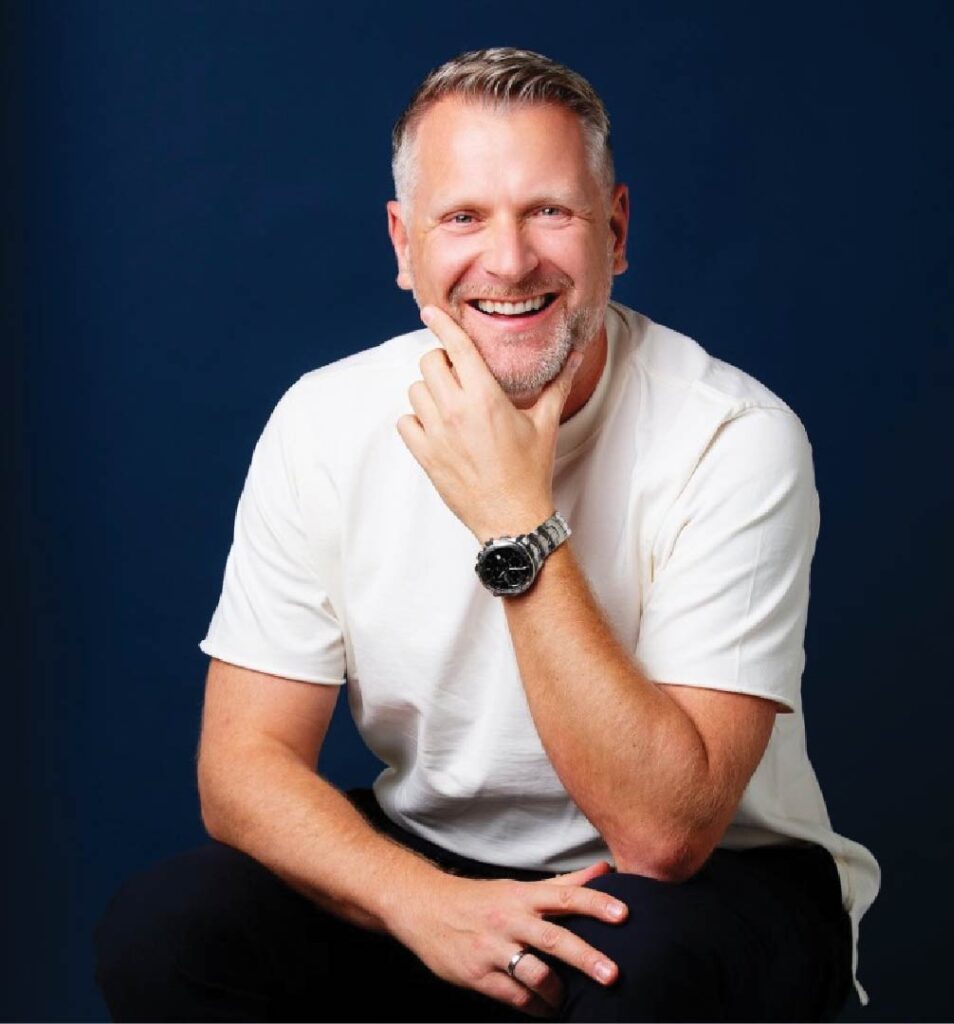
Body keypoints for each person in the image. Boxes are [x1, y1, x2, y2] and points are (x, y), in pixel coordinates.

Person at [95, 47, 879, 1022]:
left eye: (549, 211)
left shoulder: (734, 435)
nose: (509, 262)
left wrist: (514, 514)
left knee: (639, 970)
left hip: (713, 876)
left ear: (615, 230)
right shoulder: (324, 420)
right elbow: (241, 767)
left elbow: (662, 834)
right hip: (443, 859)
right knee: (164, 929)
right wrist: (423, 902)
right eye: (463, 217)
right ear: (403, 243)